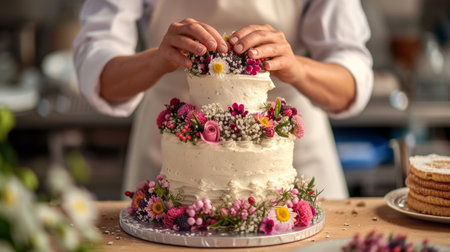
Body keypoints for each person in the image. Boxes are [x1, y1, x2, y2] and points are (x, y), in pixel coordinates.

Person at [73, 0, 373, 199]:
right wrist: (156, 61)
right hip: (173, 151)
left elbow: (351, 82)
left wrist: (296, 67)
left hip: (291, 152)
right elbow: (99, 72)